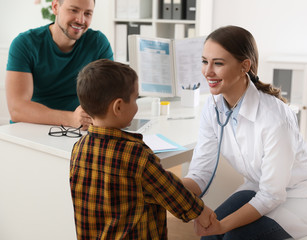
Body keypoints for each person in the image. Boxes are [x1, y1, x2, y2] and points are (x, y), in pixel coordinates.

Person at [182, 25, 307, 239]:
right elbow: (200, 174)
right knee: (210, 237)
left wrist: (222, 226)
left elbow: (271, 196)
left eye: (218, 63)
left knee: (233, 237)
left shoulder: (274, 117)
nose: (207, 71)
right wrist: (163, 184)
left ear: (244, 66)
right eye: (205, 61)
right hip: (262, 186)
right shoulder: (212, 106)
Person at [70, 59, 216, 239]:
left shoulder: (78, 148)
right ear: (118, 106)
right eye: (135, 98)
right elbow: (171, 192)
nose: (137, 105)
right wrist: (202, 212)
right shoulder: (136, 155)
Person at [6, 0, 113, 130]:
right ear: (56, 7)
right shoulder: (25, 44)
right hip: (32, 128)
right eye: (73, 10)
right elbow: (17, 109)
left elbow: (110, 96)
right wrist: (71, 119)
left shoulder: (98, 43)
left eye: (87, 13)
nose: (80, 20)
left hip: (79, 129)